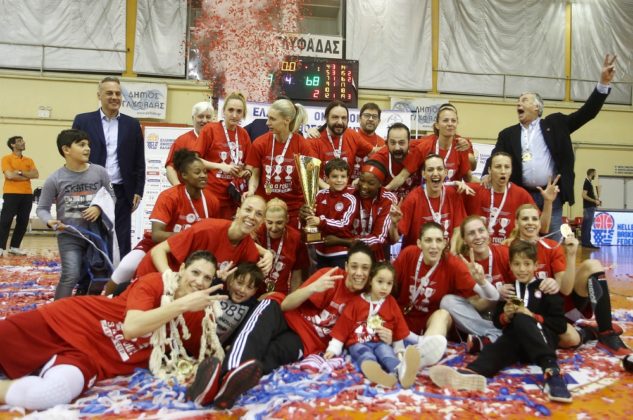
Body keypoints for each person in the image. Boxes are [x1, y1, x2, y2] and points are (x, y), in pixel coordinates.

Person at [0, 250, 228, 411]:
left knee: (49, 395)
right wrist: (182, 305)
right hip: (69, 321)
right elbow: (131, 328)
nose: (199, 282)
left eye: (207, 278)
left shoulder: (199, 318)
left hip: (92, 358)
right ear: (182, 269)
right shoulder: (156, 282)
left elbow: (208, 356)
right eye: (195, 273)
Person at [186, 242, 376, 409]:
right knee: (255, 333)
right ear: (346, 266)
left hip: (304, 341)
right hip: (284, 315)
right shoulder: (331, 276)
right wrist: (312, 288)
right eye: (354, 266)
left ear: (370, 272)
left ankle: (216, 390)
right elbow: (286, 304)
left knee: (267, 359)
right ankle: (227, 375)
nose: (359, 273)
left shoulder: (369, 301)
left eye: (365, 268)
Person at [483, 54, 617, 241]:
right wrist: (485, 174)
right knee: (522, 242)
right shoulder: (508, 134)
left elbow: (586, 113)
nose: (518, 103)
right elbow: (496, 155)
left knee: (552, 242)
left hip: (552, 195)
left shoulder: (556, 124)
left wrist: (603, 84)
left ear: (537, 107)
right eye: (518, 101)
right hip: (521, 195)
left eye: (524, 100)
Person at [429, 240, 573, 403]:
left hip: (542, 342)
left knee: (521, 319)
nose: (522, 269)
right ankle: (473, 372)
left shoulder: (546, 287)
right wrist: (506, 316)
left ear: (536, 265)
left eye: (527, 264)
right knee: (501, 344)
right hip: (517, 346)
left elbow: (560, 325)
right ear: (510, 266)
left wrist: (531, 316)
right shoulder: (508, 290)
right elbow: (497, 322)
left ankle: (552, 372)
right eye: (517, 264)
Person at [508, 204, 630, 356]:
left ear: (540, 223)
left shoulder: (552, 247)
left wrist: (571, 255)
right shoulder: (506, 248)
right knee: (565, 340)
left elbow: (565, 290)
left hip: (557, 313)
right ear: (516, 222)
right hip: (527, 314)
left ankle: (606, 333)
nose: (530, 223)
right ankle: (589, 332)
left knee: (592, 265)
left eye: (534, 219)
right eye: (525, 219)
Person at [105, 149, 220, 294]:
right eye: (197, 172)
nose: (203, 175)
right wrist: (188, 236)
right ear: (184, 175)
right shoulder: (169, 196)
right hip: (155, 246)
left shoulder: (212, 200)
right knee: (126, 267)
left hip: (191, 253)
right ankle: (106, 297)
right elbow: (157, 235)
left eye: (205, 172)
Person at [393, 222, 499, 368]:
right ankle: (410, 360)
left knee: (444, 310)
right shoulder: (408, 254)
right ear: (419, 243)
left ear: (444, 243)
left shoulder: (453, 264)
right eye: (428, 240)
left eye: (438, 240)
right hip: (402, 318)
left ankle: (418, 357)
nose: (434, 246)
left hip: (431, 323)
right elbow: (387, 287)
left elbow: (493, 297)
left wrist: (482, 281)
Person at [36, 129, 115, 300]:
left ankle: (87, 304)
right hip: (69, 236)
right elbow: (41, 208)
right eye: (81, 145)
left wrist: (98, 208)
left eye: (88, 145)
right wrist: (50, 221)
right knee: (70, 275)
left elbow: (112, 198)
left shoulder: (99, 172)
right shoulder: (55, 179)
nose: (87, 148)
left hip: (97, 235)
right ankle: (58, 311)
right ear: (66, 150)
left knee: (101, 276)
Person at [72, 76, 145, 257]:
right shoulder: (83, 121)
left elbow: (139, 160)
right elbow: (73, 155)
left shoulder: (132, 125)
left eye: (118, 94)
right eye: (109, 93)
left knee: (121, 238)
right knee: (89, 236)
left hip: (121, 191)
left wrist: (138, 190)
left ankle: (120, 274)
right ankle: (88, 274)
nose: (114, 97)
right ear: (99, 95)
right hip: (90, 188)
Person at [324, 262, 421, 388]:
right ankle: (375, 372)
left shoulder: (391, 303)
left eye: (389, 283)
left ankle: (401, 371)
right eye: (380, 282)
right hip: (358, 342)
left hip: (381, 342)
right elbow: (343, 327)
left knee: (387, 354)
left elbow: (398, 329)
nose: (384, 287)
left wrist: (399, 351)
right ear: (370, 281)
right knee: (365, 355)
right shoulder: (355, 303)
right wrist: (333, 348)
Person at [134, 195, 273, 278]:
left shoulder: (248, 247)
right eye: (248, 210)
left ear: (262, 222)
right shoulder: (207, 228)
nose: (252, 216)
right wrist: (170, 278)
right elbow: (158, 251)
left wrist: (268, 253)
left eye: (258, 214)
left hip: (190, 287)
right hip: (156, 273)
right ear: (238, 211)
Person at [244, 98, 313, 227]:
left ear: (287, 120)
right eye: (268, 118)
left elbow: (309, 180)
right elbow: (255, 175)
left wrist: (308, 204)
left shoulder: (303, 145)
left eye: (272, 119)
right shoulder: (260, 143)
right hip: (265, 207)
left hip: (292, 209)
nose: (267, 123)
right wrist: (251, 190)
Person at [463, 151, 556, 244]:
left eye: (507, 167)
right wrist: (458, 184)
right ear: (489, 170)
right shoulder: (473, 190)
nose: (503, 171)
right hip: (480, 248)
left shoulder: (521, 194)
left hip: (509, 250)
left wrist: (548, 202)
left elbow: (543, 228)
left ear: (511, 170)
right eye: (498, 167)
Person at [389, 154, 468, 252]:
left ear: (445, 173)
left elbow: (458, 228)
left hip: (445, 255)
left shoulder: (453, 194)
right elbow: (394, 240)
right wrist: (393, 224)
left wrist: (452, 252)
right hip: (418, 257)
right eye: (430, 170)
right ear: (423, 174)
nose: (435, 173)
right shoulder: (412, 199)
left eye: (439, 169)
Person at [386, 103, 473, 191]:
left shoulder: (461, 147)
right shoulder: (424, 147)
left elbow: (469, 178)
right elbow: (402, 176)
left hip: (450, 196)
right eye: (445, 120)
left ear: (457, 123)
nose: (450, 124)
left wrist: (483, 182)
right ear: (437, 125)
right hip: (426, 195)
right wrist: (384, 190)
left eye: (453, 121)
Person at [197, 92, 252, 219]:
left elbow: (249, 164)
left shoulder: (243, 134)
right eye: (230, 110)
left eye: (239, 111)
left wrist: (247, 172)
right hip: (211, 194)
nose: (234, 115)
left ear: (243, 114)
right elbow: (195, 160)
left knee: (226, 230)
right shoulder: (210, 129)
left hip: (232, 196)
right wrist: (221, 166)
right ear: (224, 111)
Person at [303, 158, 357, 269]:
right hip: (320, 250)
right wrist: (306, 217)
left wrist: (321, 221)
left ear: (348, 178)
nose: (339, 180)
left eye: (343, 176)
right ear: (327, 179)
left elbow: (344, 225)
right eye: (334, 176)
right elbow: (312, 219)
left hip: (341, 252)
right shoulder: (320, 195)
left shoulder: (351, 198)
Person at [310, 100, 374, 187]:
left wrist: (362, 177)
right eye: (335, 117)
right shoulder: (314, 139)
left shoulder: (352, 135)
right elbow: (311, 172)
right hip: (323, 192)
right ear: (326, 118)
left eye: (344, 118)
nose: (340, 122)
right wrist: (330, 189)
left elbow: (375, 153)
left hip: (347, 191)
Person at [256, 198, 309, 295]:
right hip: (254, 293)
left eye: (279, 222)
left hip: (280, 296)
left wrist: (291, 300)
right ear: (264, 219)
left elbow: (296, 276)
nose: (274, 228)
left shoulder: (296, 238)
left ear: (287, 219)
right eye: (269, 222)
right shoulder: (256, 233)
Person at [0, 135, 38, 256]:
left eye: (22, 140)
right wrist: (27, 176)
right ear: (13, 145)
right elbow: (9, 175)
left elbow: (36, 174)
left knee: (23, 221)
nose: (23, 142)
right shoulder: (6, 158)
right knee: (5, 220)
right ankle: (1, 247)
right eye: (19, 141)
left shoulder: (29, 160)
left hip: (27, 194)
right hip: (11, 193)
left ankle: (14, 247)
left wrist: (20, 172)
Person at [164, 101, 214, 185]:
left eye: (208, 117)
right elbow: (170, 167)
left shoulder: (218, 140)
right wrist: (179, 188)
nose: (205, 120)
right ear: (193, 118)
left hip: (214, 190)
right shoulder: (182, 141)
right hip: (189, 190)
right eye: (200, 116)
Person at [372, 122, 421, 202]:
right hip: (387, 205)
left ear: (409, 142)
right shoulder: (378, 159)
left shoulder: (419, 151)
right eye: (393, 143)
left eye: (401, 143)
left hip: (414, 205)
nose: (397, 148)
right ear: (387, 142)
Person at [350, 103, 385, 179]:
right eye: (367, 115)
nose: (371, 119)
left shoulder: (383, 144)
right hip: (350, 184)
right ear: (359, 119)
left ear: (379, 121)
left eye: (374, 117)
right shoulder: (350, 138)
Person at [581, 168, 601, 249]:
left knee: (586, 225)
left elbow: (588, 195)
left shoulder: (589, 183)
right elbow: (584, 195)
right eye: (595, 173)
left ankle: (585, 242)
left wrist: (595, 198)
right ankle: (587, 243)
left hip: (589, 207)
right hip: (589, 208)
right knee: (587, 226)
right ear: (592, 173)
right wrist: (594, 201)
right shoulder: (587, 183)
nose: (595, 175)